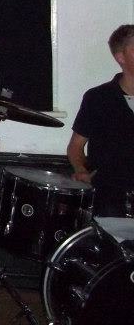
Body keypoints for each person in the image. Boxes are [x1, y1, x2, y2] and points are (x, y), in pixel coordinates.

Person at [67, 24, 134, 217]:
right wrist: (81, 170)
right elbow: (75, 147)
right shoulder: (98, 98)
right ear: (121, 57)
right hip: (110, 197)